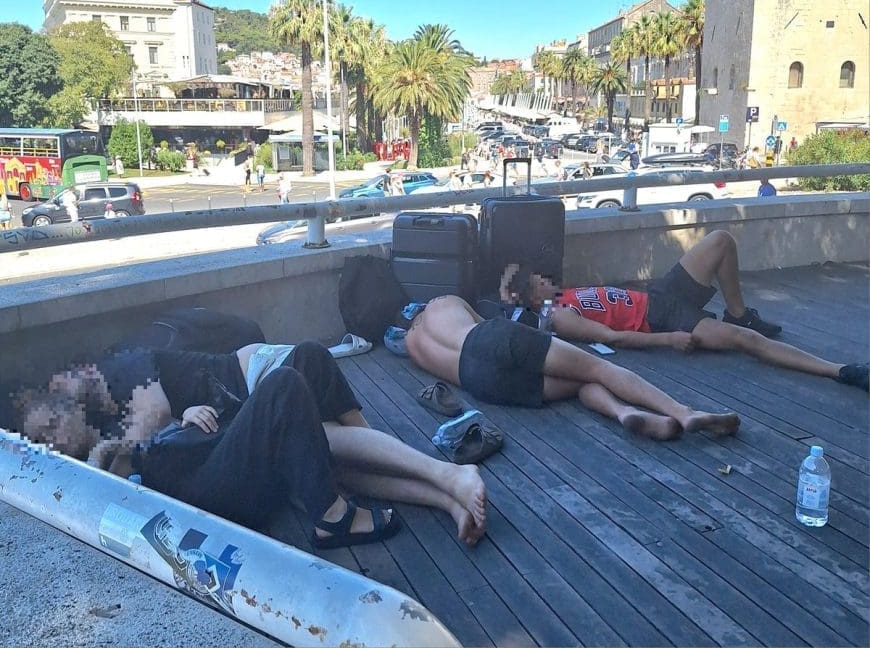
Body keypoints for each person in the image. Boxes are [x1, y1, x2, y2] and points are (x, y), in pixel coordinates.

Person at [20, 342, 488, 546]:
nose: (54, 434)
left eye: (55, 418)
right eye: (43, 435)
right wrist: (172, 423)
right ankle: (348, 508)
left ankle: (444, 495)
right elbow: (147, 459)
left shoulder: (107, 414)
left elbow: (158, 431)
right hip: (207, 491)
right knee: (285, 390)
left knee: (310, 373)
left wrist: (180, 418)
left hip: (211, 454)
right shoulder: (83, 468)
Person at [500, 231, 868, 391]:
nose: (545, 279)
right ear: (532, 296)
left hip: (660, 294)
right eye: (537, 281)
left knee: (721, 241)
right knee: (746, 341)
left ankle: (738, 311)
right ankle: (840, 370)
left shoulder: (565, 294)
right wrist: (669, 338)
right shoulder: (558, 315)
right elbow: (613, 337)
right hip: (662, 319)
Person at [402, 297, 741, 441]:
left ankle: (623, 413)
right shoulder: (442, 302)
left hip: (478, 381)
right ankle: (683, 412)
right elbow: (488, 325)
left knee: (579, 384)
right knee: (597, 368)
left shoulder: (412, 346)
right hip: (489, 339)